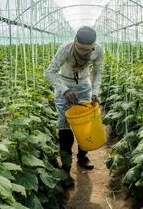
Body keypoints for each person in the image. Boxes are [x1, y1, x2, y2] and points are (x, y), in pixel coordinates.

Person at [45, 26, 104, 187]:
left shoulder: (98, 50)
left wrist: (96, 91)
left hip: (84, 86)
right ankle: (65, 167)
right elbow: (50, 72)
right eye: (80, 49)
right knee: (64, 127)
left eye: (87, 49)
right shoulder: (65, 49)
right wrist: (64, 91)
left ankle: (82, 156)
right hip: (64, 86)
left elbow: (98, 72)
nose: (84, 53)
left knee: (86, 126)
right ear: (75, 41)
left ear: (93, 45)